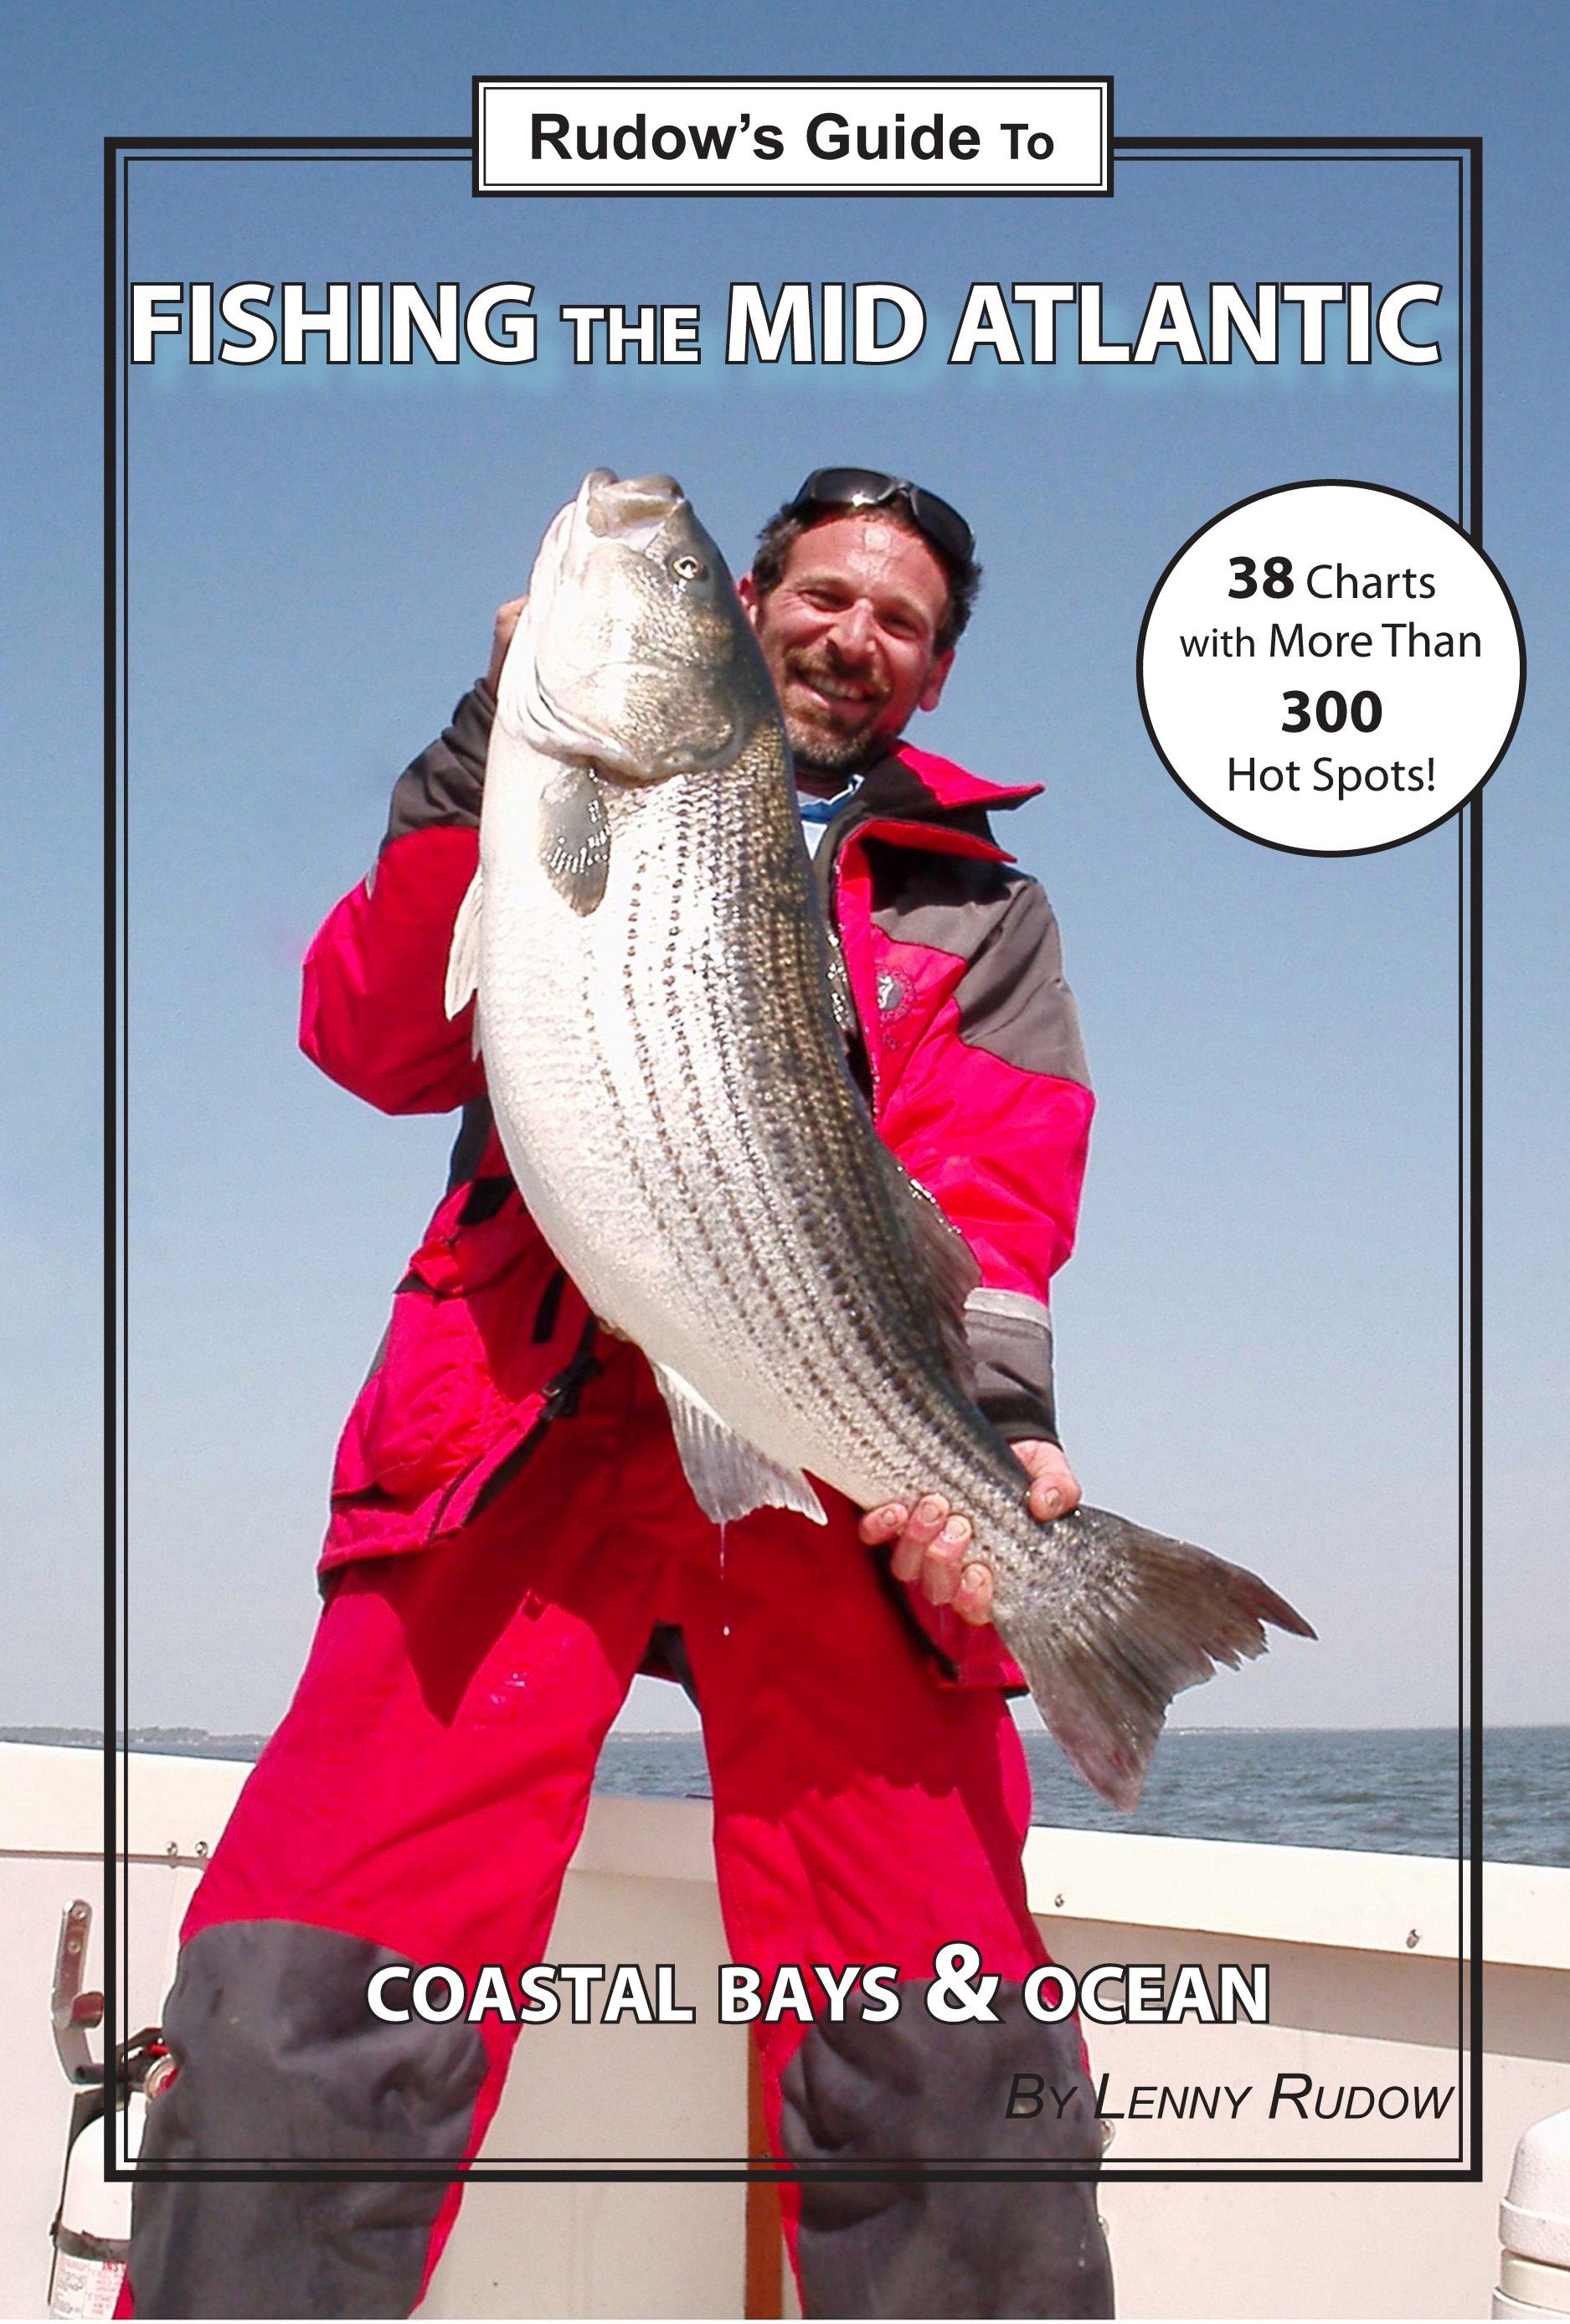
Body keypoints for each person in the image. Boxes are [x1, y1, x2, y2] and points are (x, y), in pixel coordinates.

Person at [126, 468, 1113, 2318]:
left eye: (900, 623)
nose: (854, 637)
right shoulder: (521, 770)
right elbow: (374, 1036)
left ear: (935, 672)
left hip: (823, 1454)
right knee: (295, 2009)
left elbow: (986, 1199)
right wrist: (476, 749)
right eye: (821, 596)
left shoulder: (985, 907)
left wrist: (992, 1437)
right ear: (742, 615)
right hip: (519, 1435)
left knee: (952, 2052)